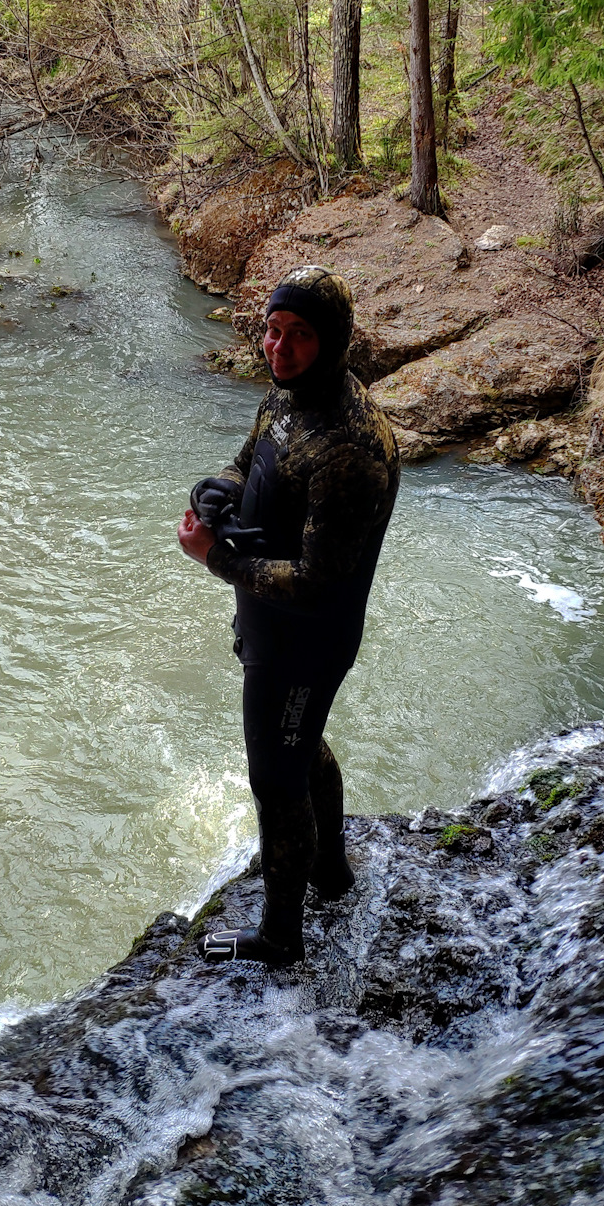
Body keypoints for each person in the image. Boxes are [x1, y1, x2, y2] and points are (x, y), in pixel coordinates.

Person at [178, 266, 400, 966]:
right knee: (299, 751)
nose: (279, 346)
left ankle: (280, 937)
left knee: (276, 777)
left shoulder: (350, 447)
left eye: (299, 335)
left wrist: (213, 557)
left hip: (305, 638)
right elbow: (253, 461)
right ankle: (329, 874)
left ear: (331, 342)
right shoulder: (291, 397)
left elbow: (315, 583)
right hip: (271, 625)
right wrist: (221, 490)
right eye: (273, 330)